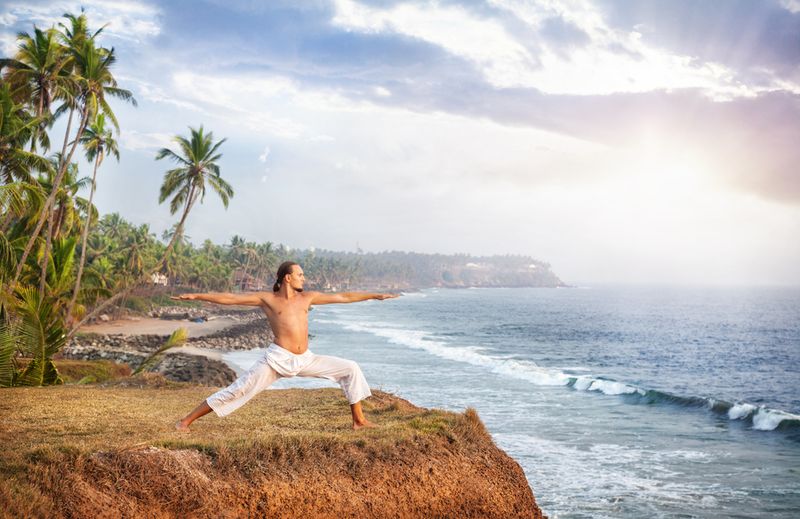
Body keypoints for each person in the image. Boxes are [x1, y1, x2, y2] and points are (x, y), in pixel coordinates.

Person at [173, 261, 400, 432]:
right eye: (300, 274)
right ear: (288, 278)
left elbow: (343, 296)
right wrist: (195, 296)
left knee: (350, 368)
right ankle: (185, 422)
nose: (304, 278)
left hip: (306, 359)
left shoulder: (308, 298)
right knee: (238, 390)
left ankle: (359, 421)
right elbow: (230, 298)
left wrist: (374, 295)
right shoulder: (268, 299)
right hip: (276, 360)